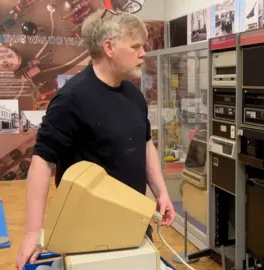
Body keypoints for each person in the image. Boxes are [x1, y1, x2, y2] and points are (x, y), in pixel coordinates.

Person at [15, 9, 175, 269]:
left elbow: (145, 144)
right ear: (109, 47)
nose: (143, 52)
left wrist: (162, 193)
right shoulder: (71, 99)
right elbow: (42, 162)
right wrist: (33, 233)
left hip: (133, 223)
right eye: (135, 46)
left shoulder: (134, 96)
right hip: (88, 232)